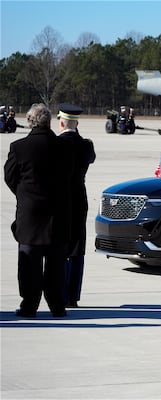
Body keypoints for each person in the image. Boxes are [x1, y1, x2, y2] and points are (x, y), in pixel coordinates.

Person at [4, 103, 74, 318]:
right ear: (49, 122)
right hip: (58, 212)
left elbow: (9, 176)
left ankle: (29, 305)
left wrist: (24, 194)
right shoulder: (64, 147)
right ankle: (57, 305)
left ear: (30, 122)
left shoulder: (19, 147)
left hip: (30, 213)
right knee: (56, 264)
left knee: (29, 263)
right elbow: (71, 177)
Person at [57, 103, 96, 308]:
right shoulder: (86, 145)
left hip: (60, 199)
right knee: (77, 249)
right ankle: (73, 296)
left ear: (61, 122)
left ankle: (59, 293)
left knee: (60, 248)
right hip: (79, 199)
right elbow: (90, 157)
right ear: (77, 123)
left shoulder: (56, 144)